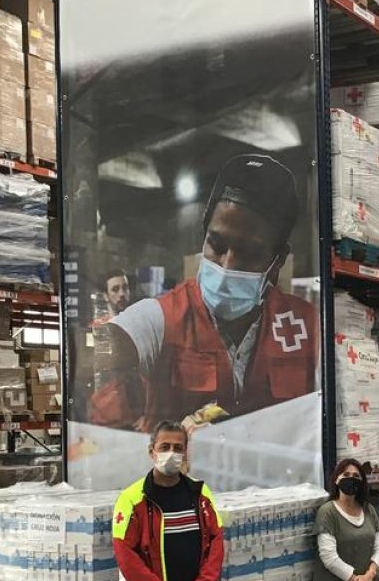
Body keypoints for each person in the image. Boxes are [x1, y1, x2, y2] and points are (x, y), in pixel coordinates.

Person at [90, 154, 319, 431]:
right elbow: (105, 346)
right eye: (217, 245)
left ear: (277, 260)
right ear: (204, 235)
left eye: (248, 253)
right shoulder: (164, 318)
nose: (227, 265)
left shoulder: (306, 326)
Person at [113, 421, 225, 581]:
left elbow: (216, 545)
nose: (171, 453)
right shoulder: (131, 499)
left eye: (178, 448)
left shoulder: (200, 493)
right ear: (151, 452)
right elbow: (126, 558)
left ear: (185, 453)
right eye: (165, 447)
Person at [314, 459, 379, 581]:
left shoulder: (368, 510)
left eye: (356, 476)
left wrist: (369, 576)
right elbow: (329, 557)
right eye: (346, 475)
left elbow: (378, 548)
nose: (350, 479)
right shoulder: (327, 512)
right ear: (336, 479)